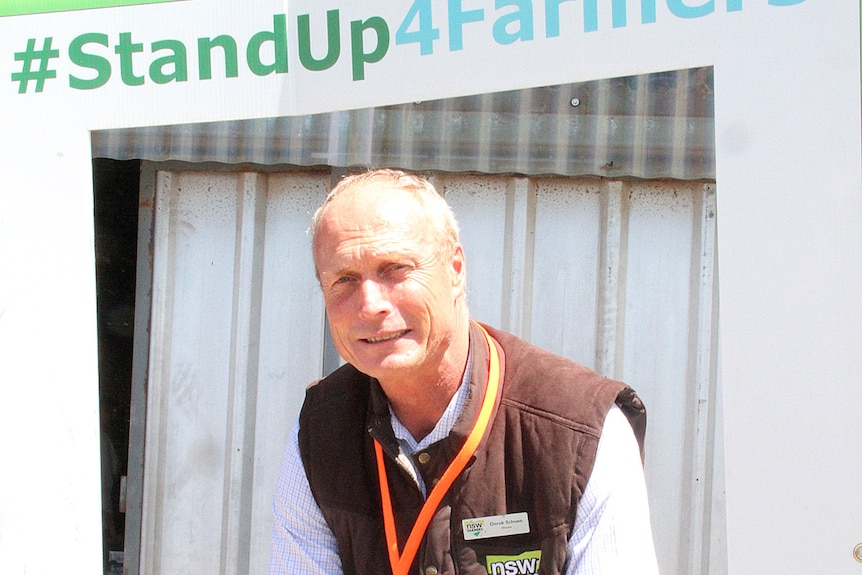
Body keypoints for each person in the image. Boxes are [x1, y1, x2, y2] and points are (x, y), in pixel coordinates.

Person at [269, 169, 659, 575]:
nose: (369, 305)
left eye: (394, 269)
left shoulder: (581, 432)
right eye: (344, 279)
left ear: (455, 269)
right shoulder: (320, 432)